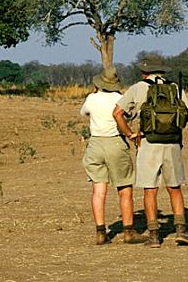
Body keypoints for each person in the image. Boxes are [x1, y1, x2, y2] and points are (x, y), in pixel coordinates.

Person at [113, 57, 188, 248]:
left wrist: (129, 134)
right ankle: (181, 231)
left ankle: (154, 236)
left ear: (144, 72)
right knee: (174, 188)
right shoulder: (175, 88)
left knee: (150, 190)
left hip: (148, 142)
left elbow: (117, 112)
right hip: (173, 144)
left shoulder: (137, 88)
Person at [80, 66, 147, 245]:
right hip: (115, 142)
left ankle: (100, 232)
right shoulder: (120, 98)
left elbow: (84, 113)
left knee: (98, 190)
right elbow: (128, 115)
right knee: (124, 189)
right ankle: (128, 231)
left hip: (95, 144)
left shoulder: (91, 98)